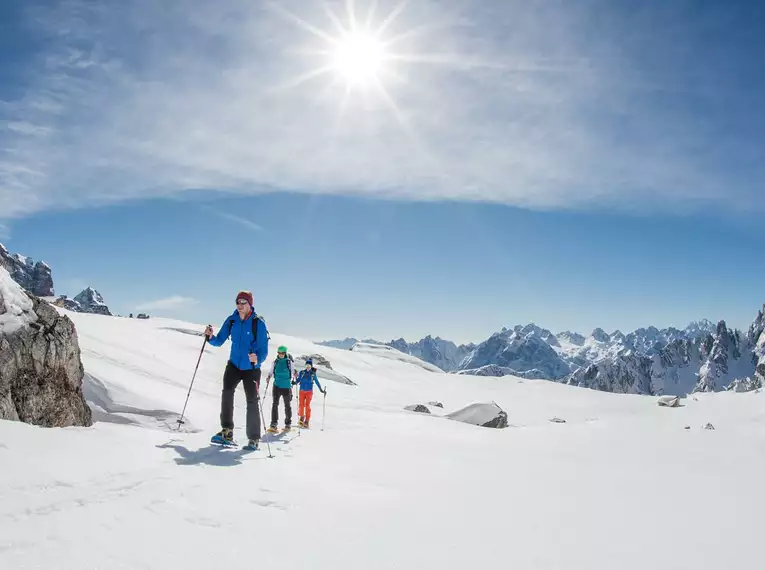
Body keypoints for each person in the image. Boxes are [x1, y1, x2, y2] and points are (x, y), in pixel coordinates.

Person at [204, 290, 269, 449]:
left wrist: (258, 358)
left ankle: (253, 439)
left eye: (243, 302)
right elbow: (219, 340)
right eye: (237, 302)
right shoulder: (231, 320)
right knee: (227, 393)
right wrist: (210, 337)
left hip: (251, 368)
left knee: (252, 401)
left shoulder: (258, 323)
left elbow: (264, 349)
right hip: (234, 364)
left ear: (250, 304)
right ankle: (227, 431)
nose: (239, 305)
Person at [266, 345, 295, 433]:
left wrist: (295, 375)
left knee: (287, 405)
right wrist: (268, 377)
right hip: (276, 385)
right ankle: (273, 424)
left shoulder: (289, 362)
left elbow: (292, 372)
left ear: (285, 353)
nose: (281, 354)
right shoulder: (275, 362)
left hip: (286, 386)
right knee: (275, 404)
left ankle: (288, 424)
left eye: (282, 353)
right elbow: (271, 371)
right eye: (279, 353)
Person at [295, 358, 325, 428]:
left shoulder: (313, 374)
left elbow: (317, 382)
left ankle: (307, 421)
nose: (308, 366)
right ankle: (302, 418)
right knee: (301, 405)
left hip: (309, 392)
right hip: (301, 391)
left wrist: (321, 389)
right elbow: (298, 380)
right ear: (305, 365)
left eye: (309, 365)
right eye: (307, 365)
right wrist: (294, 382)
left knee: (307, 405)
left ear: (311, 366)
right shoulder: (302, 373)